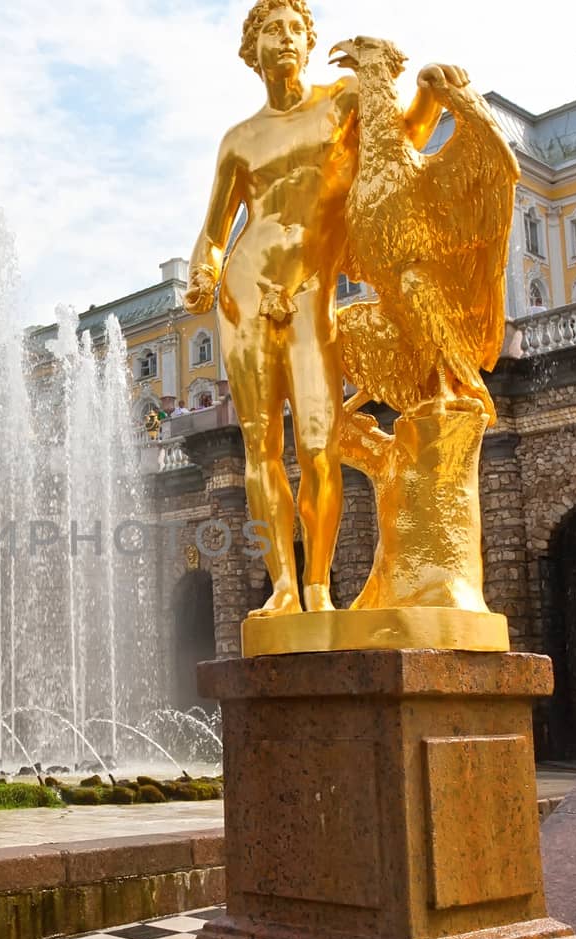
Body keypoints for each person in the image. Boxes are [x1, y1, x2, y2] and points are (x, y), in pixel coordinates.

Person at [184, 0, 452, 613]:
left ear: (309, 44)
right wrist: (203, 270)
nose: (283, 39)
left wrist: (430, 97)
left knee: (317, 442)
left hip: (311, 292)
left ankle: (319, 586)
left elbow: (398, 143)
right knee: (259, 447)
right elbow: (216, 230)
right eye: (270, 32)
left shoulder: (343, 99)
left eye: (294, 30)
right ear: (252, 54)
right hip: (246, 295)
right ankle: (283, 587)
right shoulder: (238, 140)